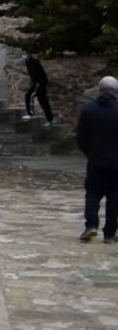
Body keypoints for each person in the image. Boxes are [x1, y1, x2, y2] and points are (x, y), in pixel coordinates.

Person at [75, 76, 118, 244]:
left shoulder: (88, 110)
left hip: (96, 159)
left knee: (92, 193)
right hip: (116, 162)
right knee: (115, 196)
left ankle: (91, 225)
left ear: (100, 90)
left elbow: (81, 138)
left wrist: (90, 152)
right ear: (115, 91)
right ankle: (110, 233)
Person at [22, 54, 54, 126]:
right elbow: (32, 75)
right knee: (29, 95)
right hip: (37, 83)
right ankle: (31, 114)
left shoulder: (33, 62)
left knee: (41, 99)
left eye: (25, 57)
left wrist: (36, 84)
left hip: (40, 83)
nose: (23, 58)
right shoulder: (28, 62)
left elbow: (38, 74)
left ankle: (49, 119)